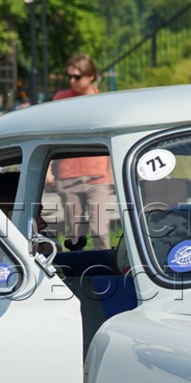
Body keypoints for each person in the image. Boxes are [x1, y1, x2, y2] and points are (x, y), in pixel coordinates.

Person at [49, 53, 112, 246]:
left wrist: (111, 175)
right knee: (74, 233)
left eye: (77, 77)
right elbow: (51, 133)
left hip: (97, 176)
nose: (72, 81)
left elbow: (109, 137)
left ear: (91, 75)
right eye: (70, 76)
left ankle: (107, 271)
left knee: (99, 231)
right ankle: (77, 274)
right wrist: (48, 169)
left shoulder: (102, 101)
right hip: (68, 175)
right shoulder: (61, 99)